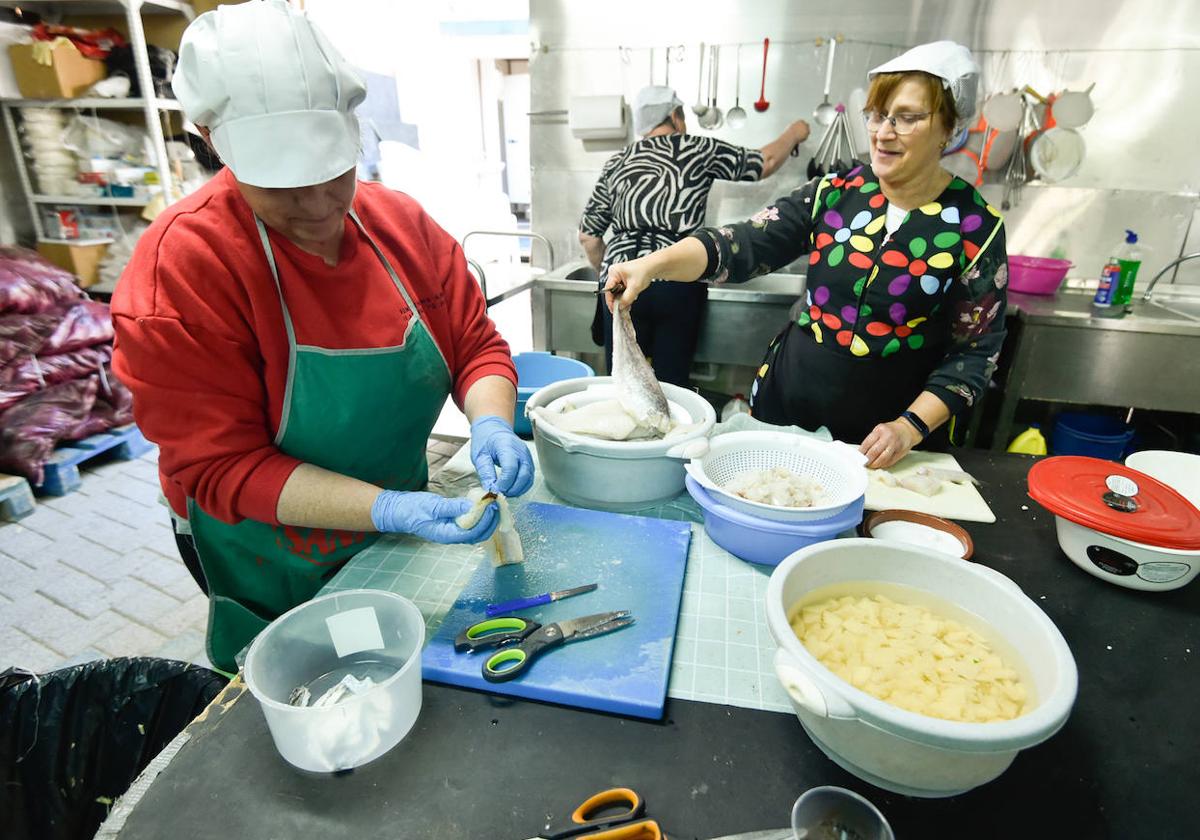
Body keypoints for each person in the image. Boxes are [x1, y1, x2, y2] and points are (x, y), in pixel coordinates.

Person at [111, 0, 534, 672]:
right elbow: (220, 467)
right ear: (209, 136)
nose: (315, 205)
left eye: (331, 169)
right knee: (311, 685)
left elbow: (476, 347)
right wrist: (392, 508)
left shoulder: (402, 228)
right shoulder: (182, 274)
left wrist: (491, 424)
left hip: (387, 534)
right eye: (281, 182)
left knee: (393, 669)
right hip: (267, 552)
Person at [602, 42, 1006, 469]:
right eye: (877, 114)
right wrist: (652, 265)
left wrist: (909, 426)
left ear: (949, 126)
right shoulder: (836, 194)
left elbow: (977, 352)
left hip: (886, 431)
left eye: (907, 118)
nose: (883, 132)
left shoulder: (974, 226)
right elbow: (741, 243)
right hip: (788, 402)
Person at [579, 84, 811, 387]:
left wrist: (606, 271)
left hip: (621, 283)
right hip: (674, 278)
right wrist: (794, 133)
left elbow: (589, 237)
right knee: (672, 386)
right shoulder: (696, 147)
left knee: (625, 385)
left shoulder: (617, 162)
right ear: (674, 116)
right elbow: (762, 163)